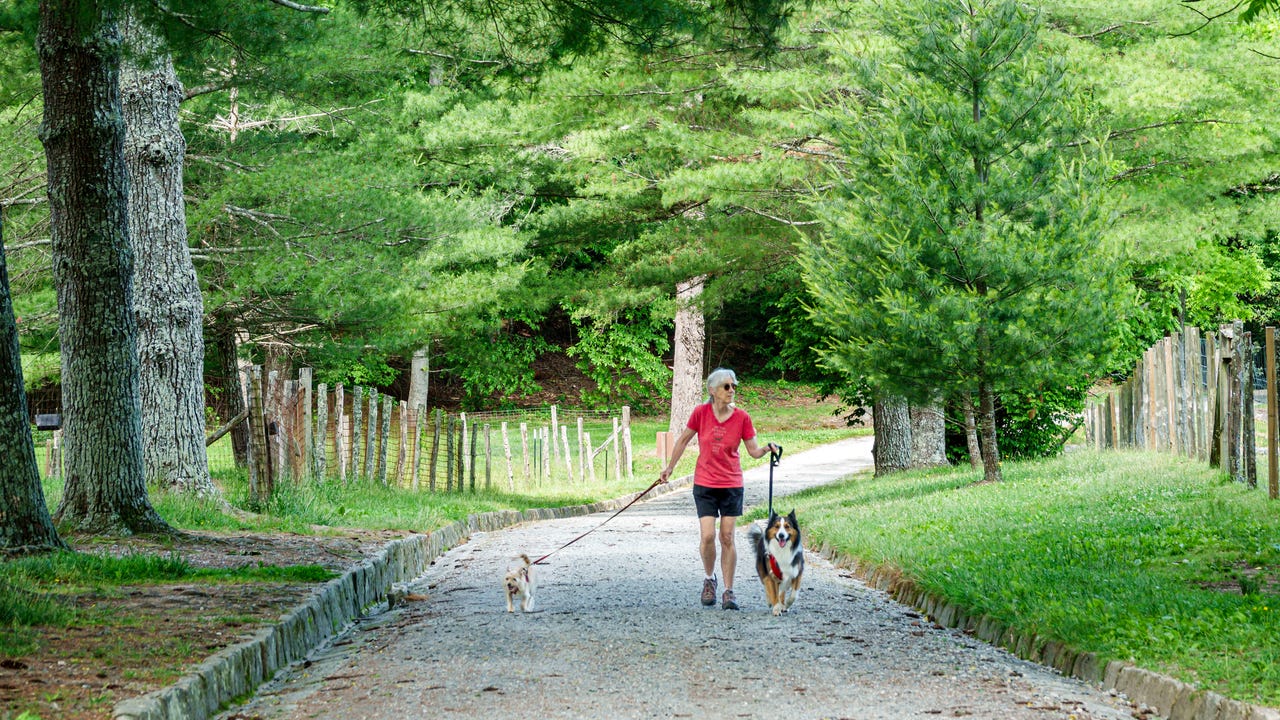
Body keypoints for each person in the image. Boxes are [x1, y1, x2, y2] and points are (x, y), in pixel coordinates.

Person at [659, 368, 777, 610]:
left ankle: (728, 590)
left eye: (734, 386)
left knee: (727, 537)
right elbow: (682, 440)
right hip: (705, 483)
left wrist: (767, 448)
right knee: (708, 536)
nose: (731, 390)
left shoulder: (742, 417)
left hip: (732, 484)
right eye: (726, 386)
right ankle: (709, 578)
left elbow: (753, 451)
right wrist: (670, 468)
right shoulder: (700, 413)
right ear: (712, 390)